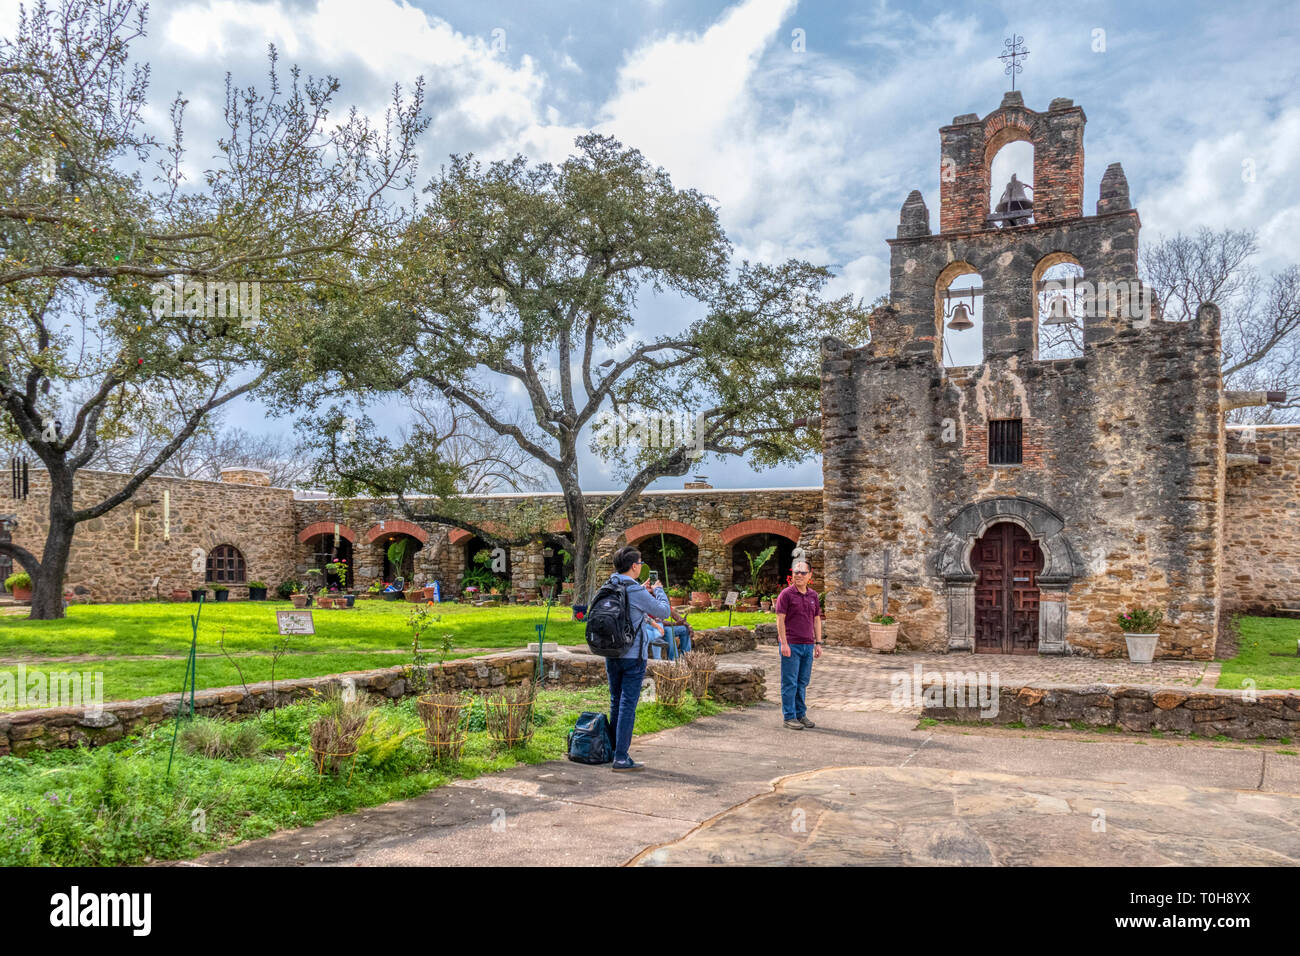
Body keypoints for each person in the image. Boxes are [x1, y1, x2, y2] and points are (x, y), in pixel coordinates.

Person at [604, 546, 671, 771]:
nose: (641, 566)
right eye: (640, 563)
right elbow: (663, 612)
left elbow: (629, 608)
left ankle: (613, 750)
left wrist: (642, 591)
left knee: (615, 701)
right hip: (633, 655)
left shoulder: (609, 585)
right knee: (628, 704)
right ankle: (622, 757)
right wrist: (659, 590)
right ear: (634, 566)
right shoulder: (635, 591)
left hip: (611, 653)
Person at [774, 558, 822, 730]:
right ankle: (789, 716)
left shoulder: (813, 596)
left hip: (808, 644)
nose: (799, 575)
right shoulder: (786, 595)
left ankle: (801, 714)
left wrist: (818, 642)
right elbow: (780, 620)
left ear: (810, 575)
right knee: (790, 682)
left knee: (802, 682)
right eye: (796, 572)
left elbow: (816, 620)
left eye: (803, 572)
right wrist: (784, 643)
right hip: (791, 644)